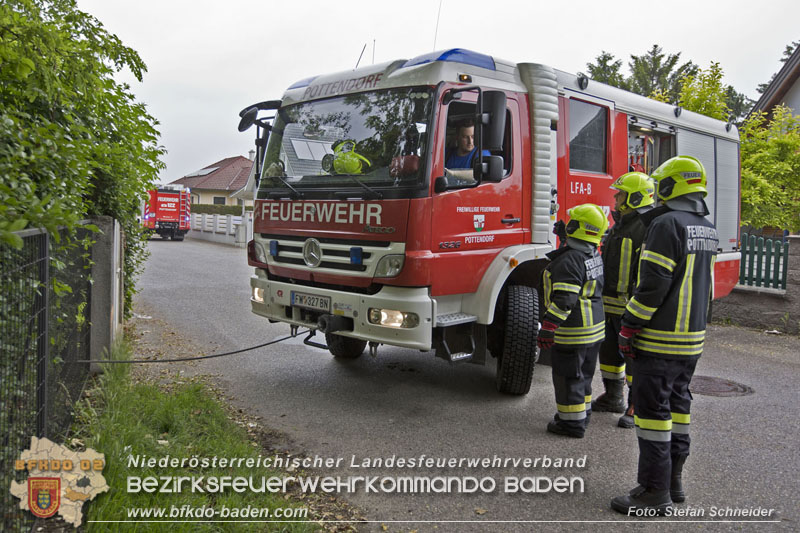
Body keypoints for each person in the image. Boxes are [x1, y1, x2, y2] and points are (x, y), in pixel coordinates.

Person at [610, 156, 718, 515]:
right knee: (678, 408)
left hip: (658, 340)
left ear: (671, 187)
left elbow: (653, 283)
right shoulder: (706, 226)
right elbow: (708, 289)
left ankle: (653, 492)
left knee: (653, 415)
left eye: (661, 187)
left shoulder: (666, 224)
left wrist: (629, 326)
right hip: (691, 341)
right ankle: (674, 482)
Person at [538, 204, 608, 438]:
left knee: (569, 378)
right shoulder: (592, 253)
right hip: (594, 330)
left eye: (571, 223)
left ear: (578, 227)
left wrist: (548, 328)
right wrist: (563, 239)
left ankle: (571, 424)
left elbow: (564, 300)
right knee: (583, 376)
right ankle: (582, 414)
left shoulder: (569, 261)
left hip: (574, 331)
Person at [592, 172, 655, 428]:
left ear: (634, 197)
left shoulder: (646, 226)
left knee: (633, 359)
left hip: (629, 307)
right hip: (609, 304)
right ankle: (613, 396)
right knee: (608, 355)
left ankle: (635, 405)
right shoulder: (621, 224)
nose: (616, 199)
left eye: (620, 195)